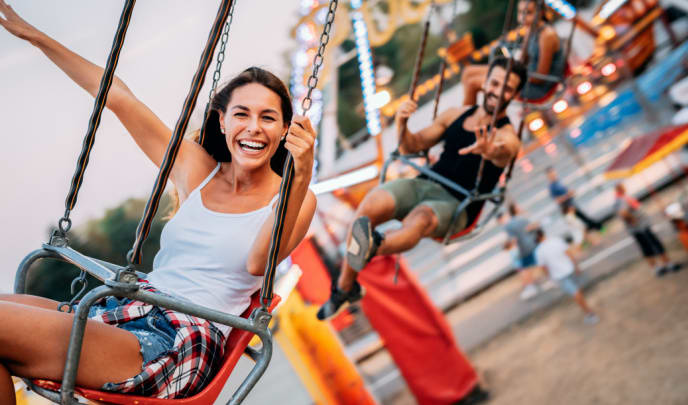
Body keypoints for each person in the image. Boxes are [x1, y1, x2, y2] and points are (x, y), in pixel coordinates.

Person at [0, 2, 317, 401]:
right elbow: (120, 98)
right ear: (223, 121)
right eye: (242, 114)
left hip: (178, 340)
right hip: (132, 308)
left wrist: (300, 174)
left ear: (286, 128)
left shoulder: (294, 197)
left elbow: (260, 261)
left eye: (268, 118)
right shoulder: (198, 172)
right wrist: (36, 37)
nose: (253, 128)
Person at [316, 57, 527, 320]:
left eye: (507, 88)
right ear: (485, 84)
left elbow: (504, 152)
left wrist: (490, 149)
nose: (498, 91)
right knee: (370, 206)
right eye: (495, 83)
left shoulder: (507, 136)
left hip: (458, 204)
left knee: (421, 218)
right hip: (426, 183)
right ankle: (345, 289)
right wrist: (403, 124)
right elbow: (411, 146)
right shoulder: (455, 115)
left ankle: (372, 247)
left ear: (515, 95)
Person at [461, 0, 564, 105]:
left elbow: (540, 77)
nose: (522, 18)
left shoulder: (546, 36)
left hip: (537, 87)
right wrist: (509, 67)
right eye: (520, 12)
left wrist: (512, 75)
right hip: (525, 77)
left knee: (472, 83)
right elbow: (523, 59)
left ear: (540, 12)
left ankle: (467, 118)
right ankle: (470, 115)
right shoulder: (530, 30)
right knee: (468, 72)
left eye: (528, 13)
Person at [534, 228, 598, 324]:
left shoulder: (539, 251)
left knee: (575, 293)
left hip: (559, 275)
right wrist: (576, 265)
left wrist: (549, 278)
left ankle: (590, 313)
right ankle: (587, 309)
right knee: (577, 290)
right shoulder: (556, 240)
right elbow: (568, 253)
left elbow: (544, 268)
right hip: (570, 268)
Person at [614, 184, 680, 277]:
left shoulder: (618, 200)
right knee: (654, 244)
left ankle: (656, 268)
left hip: (636, 229)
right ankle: (668, 264)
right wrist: (634, 220)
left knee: (646, 248)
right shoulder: (621, 200)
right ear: (621, 189)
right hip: (640, 227)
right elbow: (623, 213)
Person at [502, 203, 541, 300]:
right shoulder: (524, 218)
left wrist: (513, 250)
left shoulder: (509, 225)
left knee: (525, 268)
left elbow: (513, 239)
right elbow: (535, 225)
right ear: (515, 210)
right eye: (518, 207)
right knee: (538, 263)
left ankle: (530, 287)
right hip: (533, 244)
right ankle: (550, 279)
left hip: (523, 248)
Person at [546, 167, 603, 231]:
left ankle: (598, 228)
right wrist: (568, 195)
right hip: (567, 209)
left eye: (554, 173)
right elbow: (558, 200)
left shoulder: (559, 182)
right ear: (549, 176)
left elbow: (567, 192)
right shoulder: (552, 187)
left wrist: (570, 193)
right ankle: (598, 228)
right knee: (577, 225)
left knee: (584, 219)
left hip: (571, 205)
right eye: (552, 174)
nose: (554, 175)